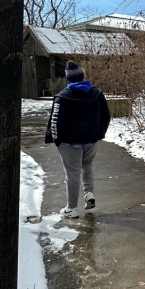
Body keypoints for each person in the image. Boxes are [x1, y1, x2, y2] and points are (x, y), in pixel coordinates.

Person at [45, 61, 111, 218]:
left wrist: (57, 139)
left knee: (72, 173)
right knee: (87, 164)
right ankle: (89, 194)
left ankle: (72, 208)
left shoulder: (63, 97)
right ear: (82, 76)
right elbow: (106, 115)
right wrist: (99, 132)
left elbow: (56, 121)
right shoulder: (97, 93)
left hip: (70, 142)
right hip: (92, 139)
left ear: (68, 79)